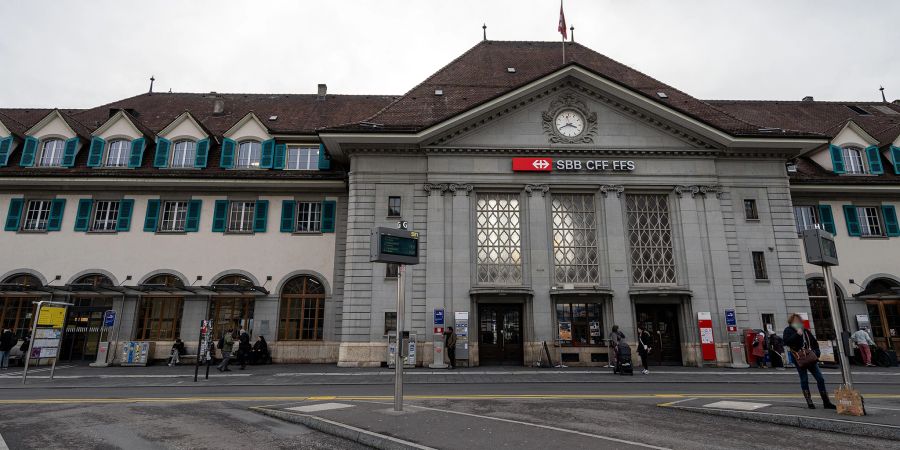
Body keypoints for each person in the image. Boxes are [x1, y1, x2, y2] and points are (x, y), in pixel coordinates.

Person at [783, 314, 835, 409]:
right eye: (795, 321)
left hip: (810, 357)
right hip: (799, 358)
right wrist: (797, 334)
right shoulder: (788, 330)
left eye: (799, 321)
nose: (798, 322)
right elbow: (786, 342)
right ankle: (809, 402)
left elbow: (814, 343)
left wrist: (816, 353)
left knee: (820, 378)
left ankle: (826, 402)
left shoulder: (806, 331)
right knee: (804, 379)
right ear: (791, 322)